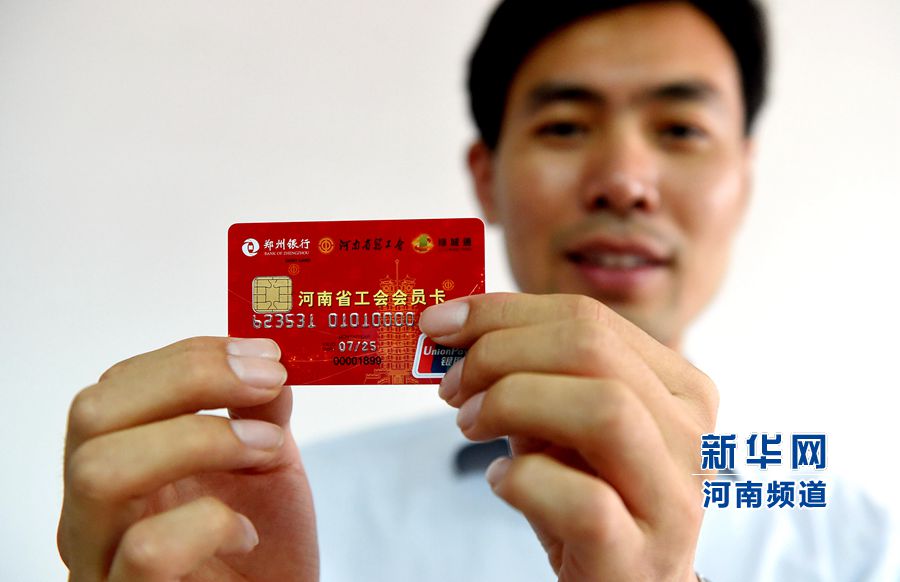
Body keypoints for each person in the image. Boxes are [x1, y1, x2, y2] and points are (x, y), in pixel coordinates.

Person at [56, 1, 897, 581]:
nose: (624, 180)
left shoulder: (849, 537)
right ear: (486, 179)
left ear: (743, 180)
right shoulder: (269, 517)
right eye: (564, 126)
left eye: (681, 129)